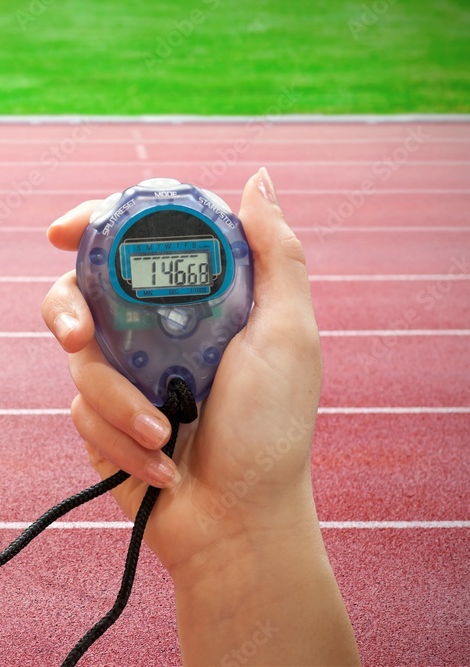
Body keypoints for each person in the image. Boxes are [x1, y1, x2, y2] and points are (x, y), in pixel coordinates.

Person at [40, 168, 361, 666]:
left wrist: (250, 524)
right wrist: (227, 546)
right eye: (154, 273)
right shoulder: (208, 239)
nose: (174, 309)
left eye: (186, 271)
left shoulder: (127, 245)